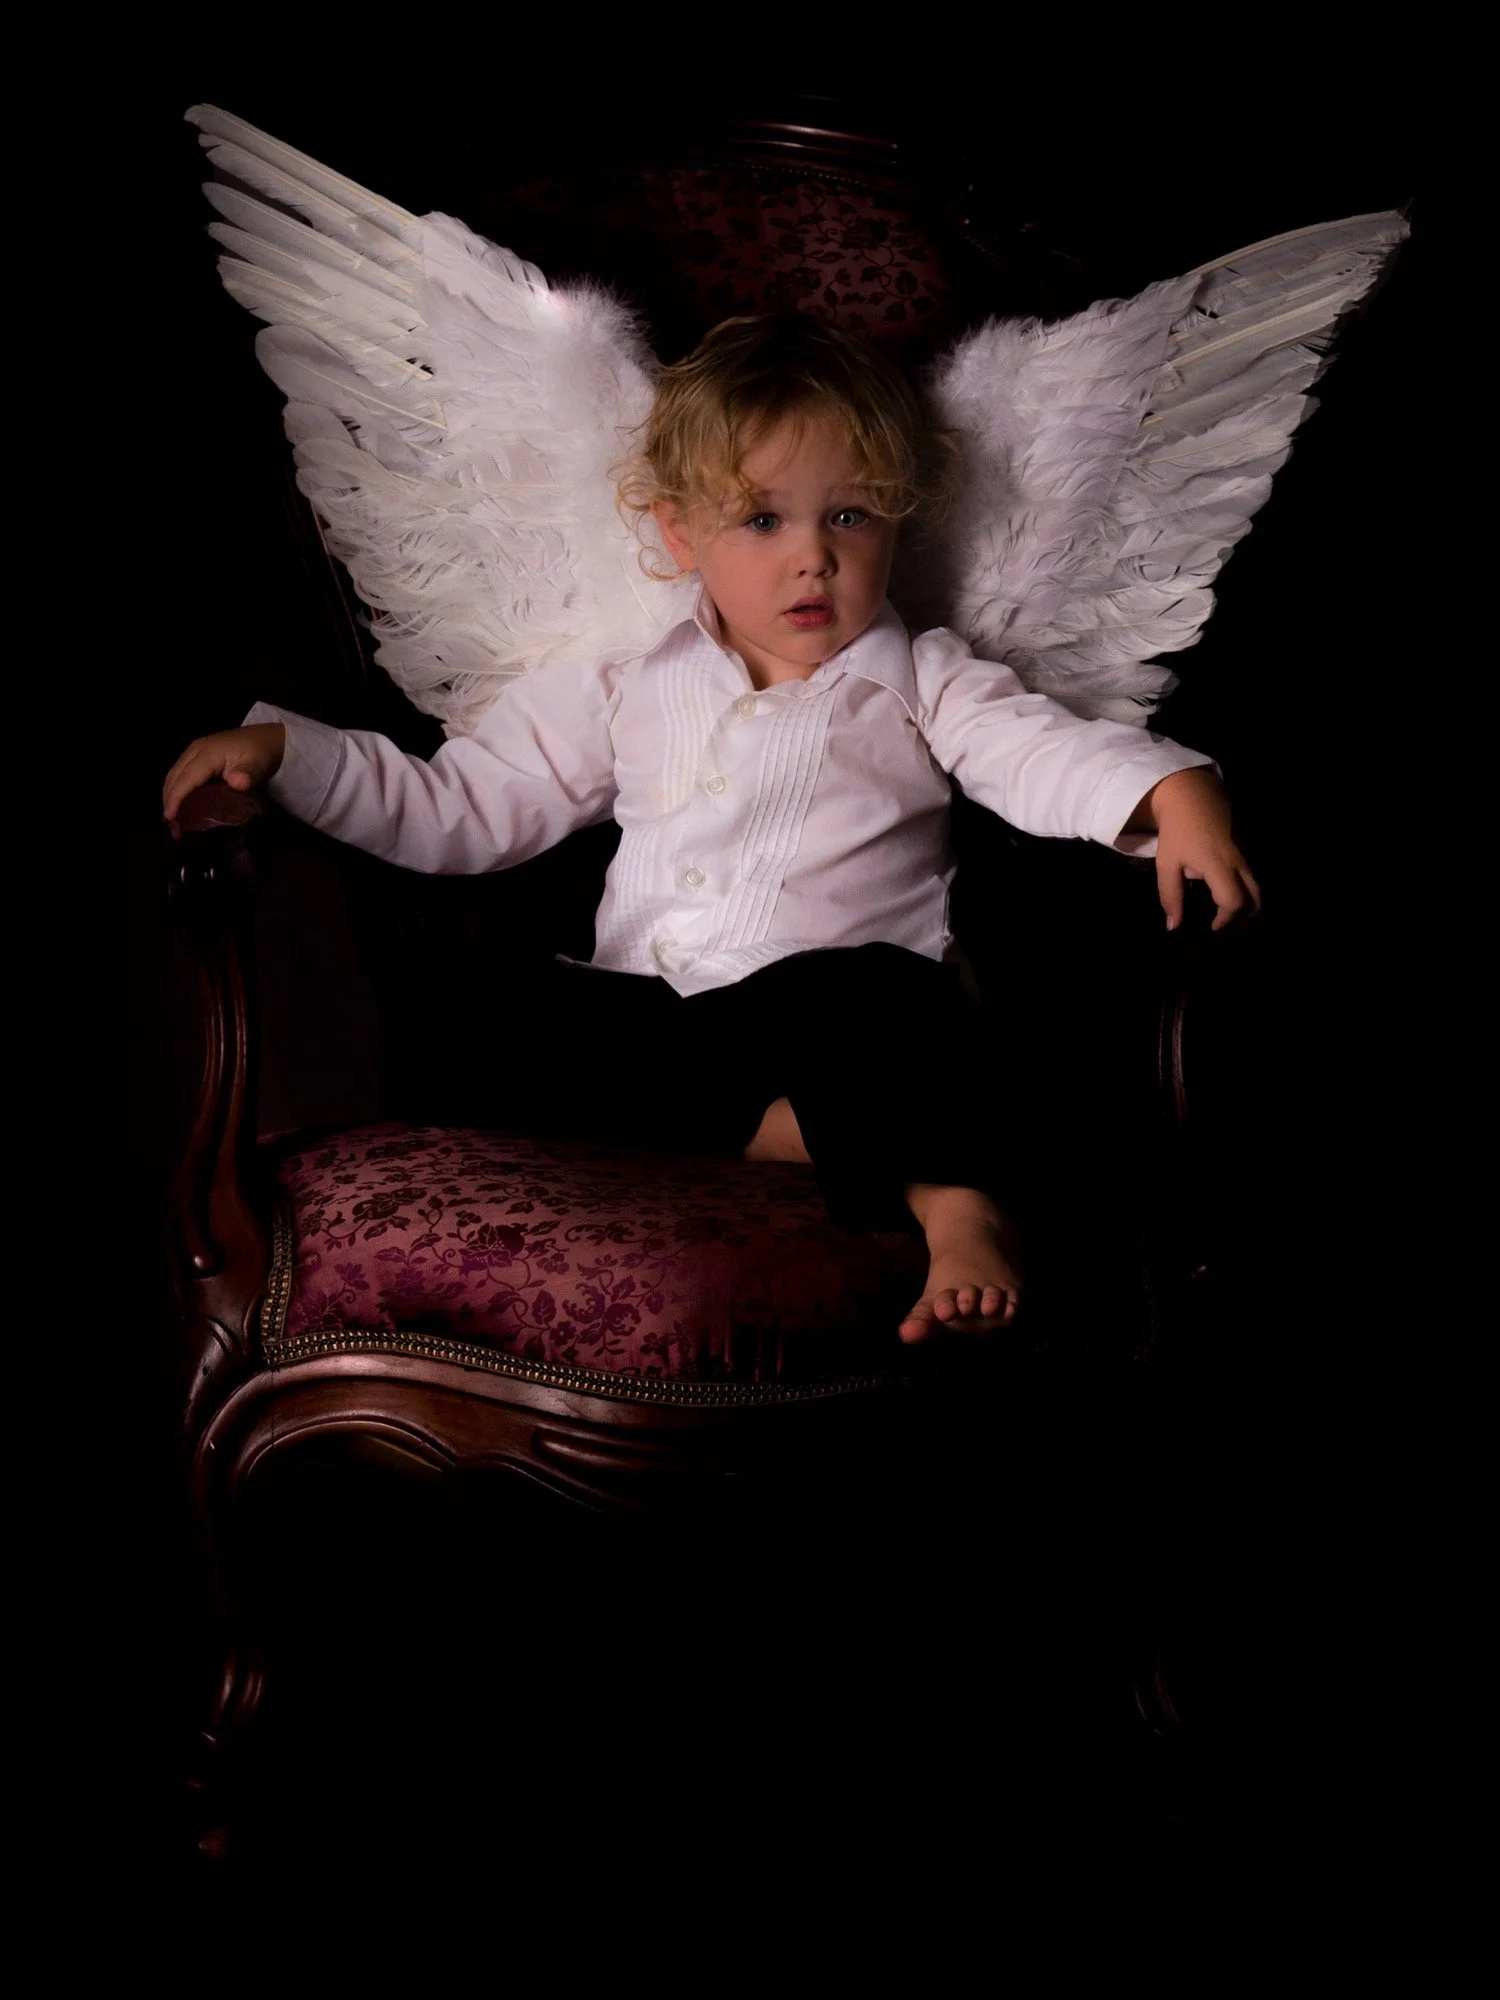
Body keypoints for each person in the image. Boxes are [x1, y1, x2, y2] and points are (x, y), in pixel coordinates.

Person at [163, 314, 1259, 1343]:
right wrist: (294, 755)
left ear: (898, 519)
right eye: (762, 518)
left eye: (850, 514)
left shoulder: (926, 680)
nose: (811, 558)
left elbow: (1042, 753)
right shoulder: (622, 682)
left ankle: (956, 1202)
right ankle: (802, 1132)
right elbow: (465, 806)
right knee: (472, 1014)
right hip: (655, 1015)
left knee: (887, 998)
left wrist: (1165, 794)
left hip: (827, 1003)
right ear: (681, 532)